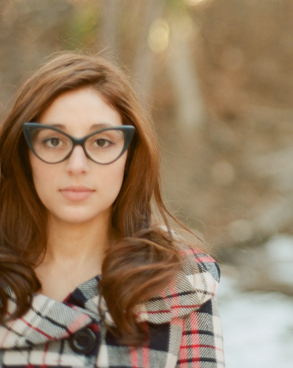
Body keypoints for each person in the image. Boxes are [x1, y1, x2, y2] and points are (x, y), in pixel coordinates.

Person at [0, 52, 225, 367]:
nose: (77, 165)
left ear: (129, 156)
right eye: (53, 141)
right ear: (25, 154)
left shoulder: (179, 284)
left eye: (101, 142)